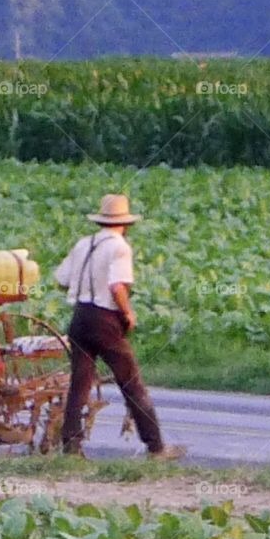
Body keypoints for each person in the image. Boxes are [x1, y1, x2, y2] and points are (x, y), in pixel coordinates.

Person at [55, 194, 183, 460]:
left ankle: (70, 447)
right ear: (125, 224)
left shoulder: (83, 244)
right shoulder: (120, 247)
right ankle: (156, 447)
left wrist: (87, 284)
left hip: (79, 318)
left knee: (79, 384)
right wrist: (128, 313)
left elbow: (62, 279)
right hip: (105, 320)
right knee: (132, 383)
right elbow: (117, 287)